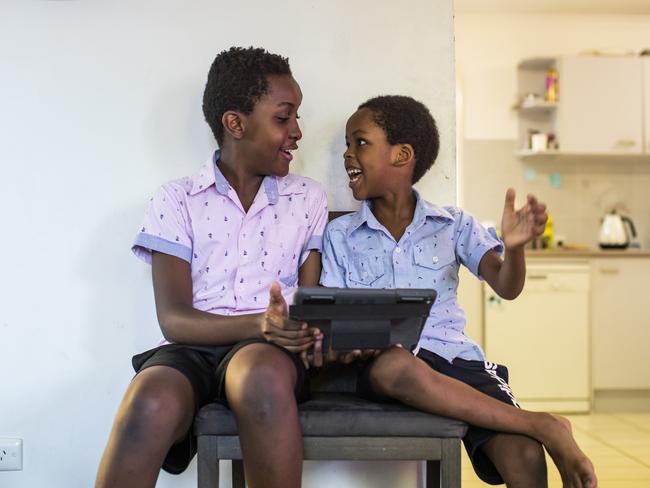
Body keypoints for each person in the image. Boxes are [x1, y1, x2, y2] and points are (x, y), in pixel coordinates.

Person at [317, 95, 598, 488]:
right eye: (347, 144)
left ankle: (538, 434)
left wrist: (514, 248)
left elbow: (507, 286)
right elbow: (334, 317)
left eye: (359, 142)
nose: (347, 155)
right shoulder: (339, 235)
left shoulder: (453, 224)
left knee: (523, 454)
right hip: (385, 365)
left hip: (457, 361)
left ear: (402, 155)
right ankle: (544, 424)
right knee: (396, 365)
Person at [95, 46, 327, 488]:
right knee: (150, 398)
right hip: (193, 348)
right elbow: (175, 319)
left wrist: (299, 329)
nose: (297, 131)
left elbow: (311, 307)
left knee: (260, 375)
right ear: (235, 124)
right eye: (284, 117)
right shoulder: (176, 199)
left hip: (270, 352)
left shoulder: (307, 199)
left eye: (297, 117)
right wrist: (260, 323)